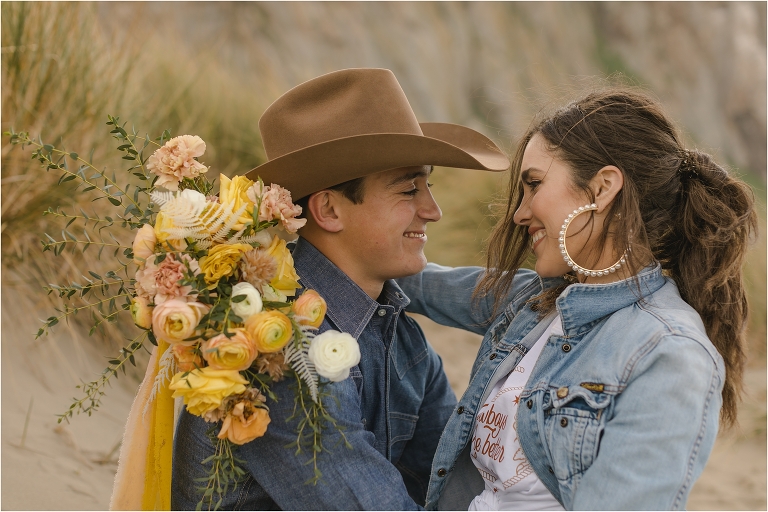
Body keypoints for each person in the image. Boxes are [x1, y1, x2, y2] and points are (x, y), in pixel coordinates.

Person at [398, 88, 758, 510]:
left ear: (603, 188)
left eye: (534, 185)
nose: (520, 213)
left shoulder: (669, 354)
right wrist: (302, 235)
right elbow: (415, 282)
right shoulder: (533, 303)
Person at [170, 68, 511, 509]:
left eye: (430, 186)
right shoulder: (273, 339)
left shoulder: (401, 337)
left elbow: (458, 484)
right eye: (409, 189)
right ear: (329, 209)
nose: (434, 210)